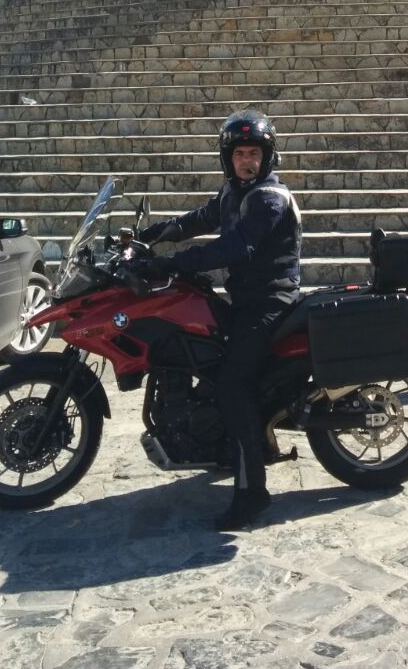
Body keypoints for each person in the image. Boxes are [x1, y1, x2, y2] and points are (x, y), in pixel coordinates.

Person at [138, 109, 301, 530]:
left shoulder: (268, 197)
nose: (247, 161)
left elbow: (234, 247)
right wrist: (153, 234)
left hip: (269, 302)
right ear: (227, 159)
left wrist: (169, 265)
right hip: (245, 300)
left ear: (268, 157)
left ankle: (252, 493)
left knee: (232, 384)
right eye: (240, 153)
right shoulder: (235, 194)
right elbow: (199, 219)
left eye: (254, 153)